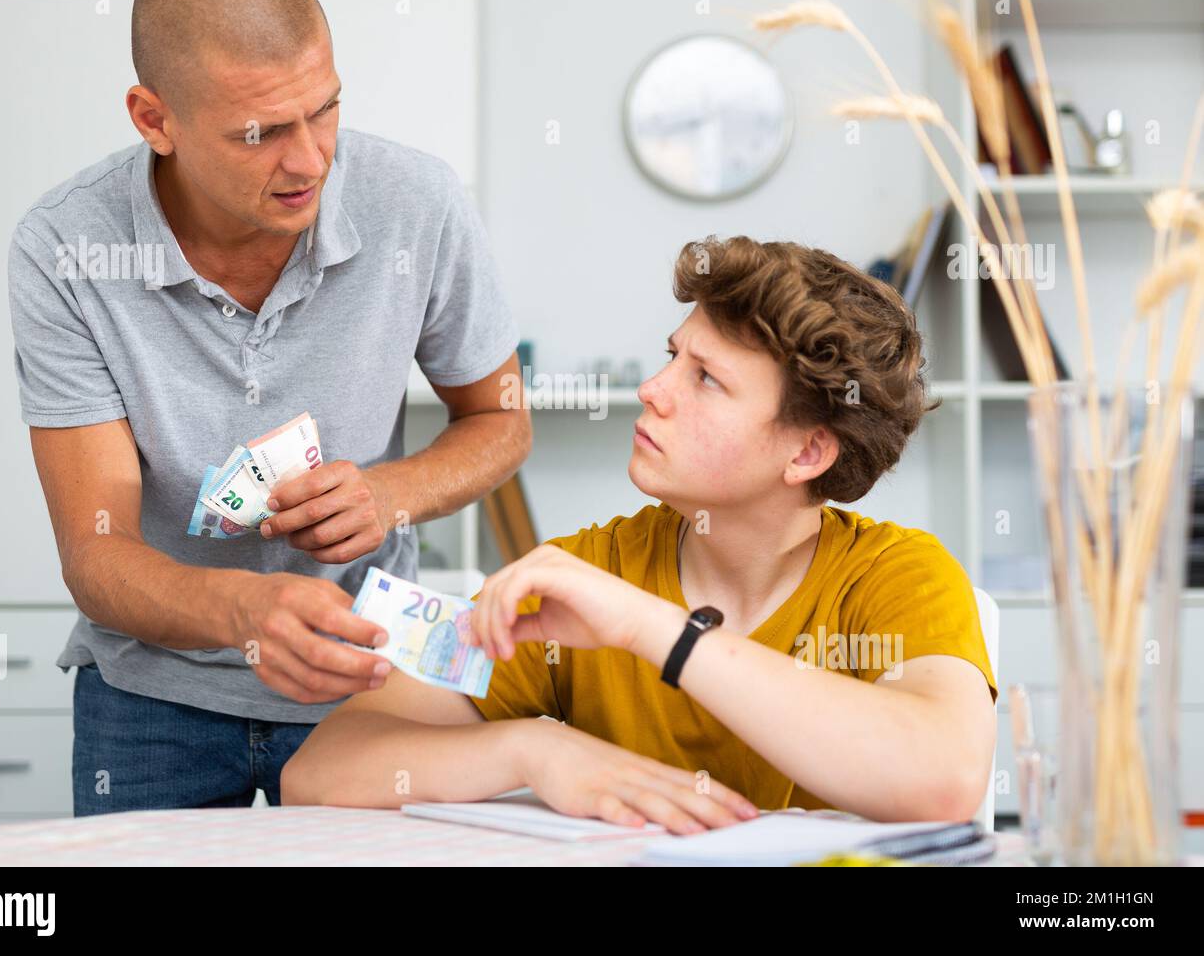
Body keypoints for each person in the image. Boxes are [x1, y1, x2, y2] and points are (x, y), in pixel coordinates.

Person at [6, 0, 530, 814]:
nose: (312, 160)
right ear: (154, 118)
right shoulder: (64, 247)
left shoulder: (418, 202)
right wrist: (248, 613)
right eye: (261, 133)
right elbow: (97, 550)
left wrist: (389, 493)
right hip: (149, 699)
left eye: (325, 111)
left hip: (368, 679)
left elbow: (502, 421)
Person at [282, 236, 999, 832]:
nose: (653, 389)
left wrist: (653, 629)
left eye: (707, 379)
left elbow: (945, 779)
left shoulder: (898, 575)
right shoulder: (588, 569)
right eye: (671, 356)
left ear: (806, 452)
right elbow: (319, 770)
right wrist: (532, 749)